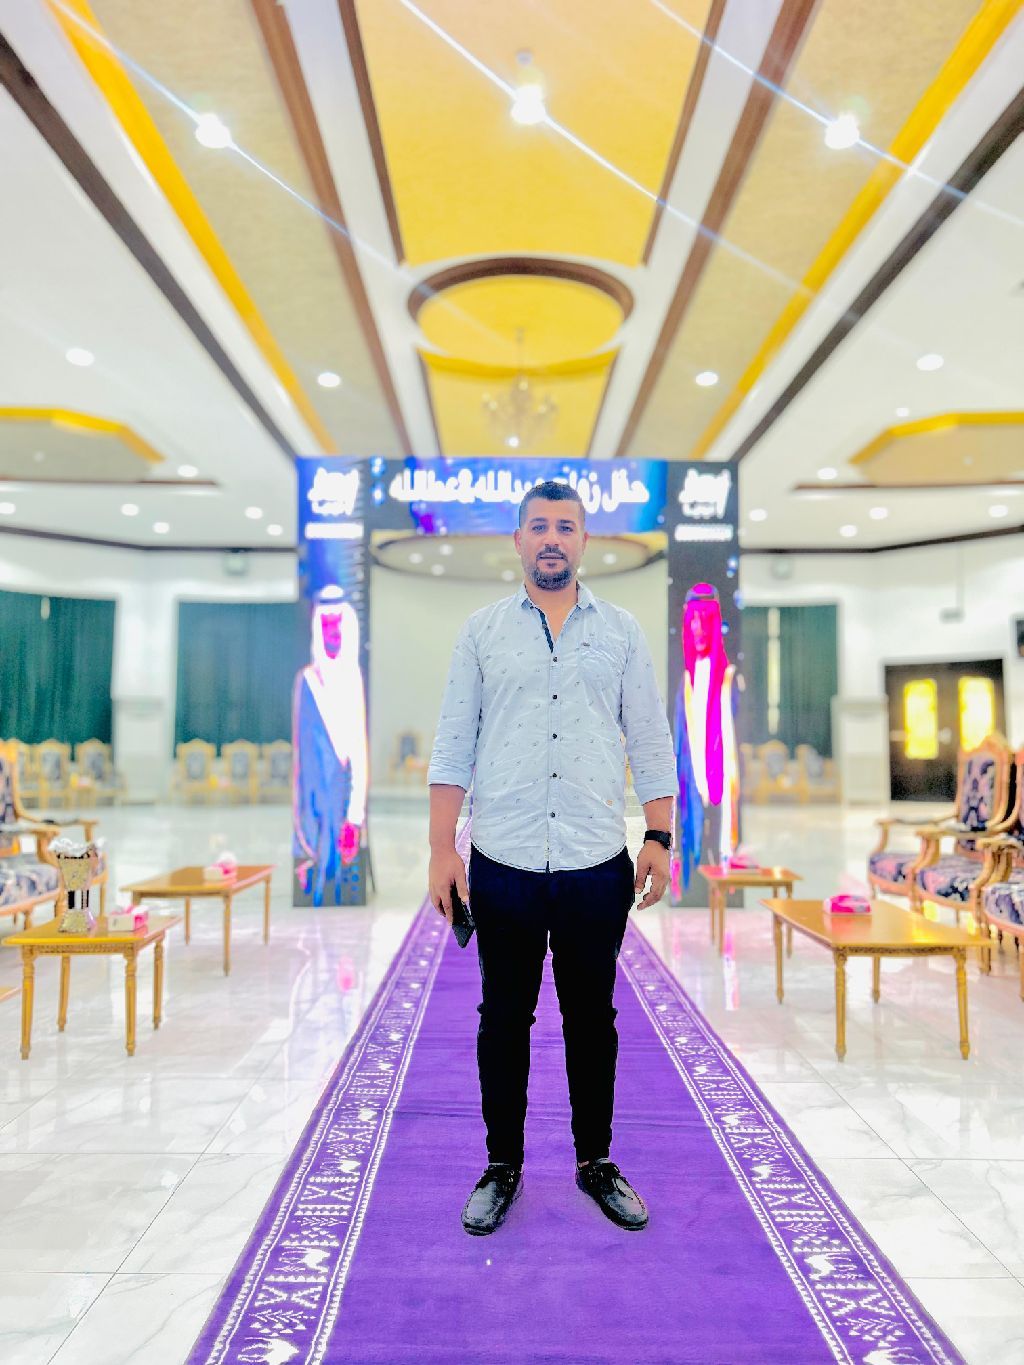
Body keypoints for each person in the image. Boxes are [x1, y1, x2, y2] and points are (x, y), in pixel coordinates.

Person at [428, 479, 676, 1237]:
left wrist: (659, 836)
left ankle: (595, 1161)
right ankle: (501, 1165)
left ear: (583, 541)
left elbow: (650, 736)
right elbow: (454, 742)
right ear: (519, 541)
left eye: (565, 527)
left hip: (594, 859)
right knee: (503, 1018)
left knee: (591, 1019)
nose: (552, 539)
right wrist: (441, 848)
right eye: (539, 526)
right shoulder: (481, 632)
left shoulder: (622, 632)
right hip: (501, 857)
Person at [293, 584, 367, 907]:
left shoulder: (353, 678)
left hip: (342, 794)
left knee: (338, 871)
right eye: (326, 626)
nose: (332, 634)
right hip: (312, 798)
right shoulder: (307, 680)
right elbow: (301, 754)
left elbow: (359, 751)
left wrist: (355, 815)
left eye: (337, 626)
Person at [674, 583, 739, 891]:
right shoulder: (685, 681)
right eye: (693, 620)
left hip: (722, 778)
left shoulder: (729, 678)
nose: (698, 628)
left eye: (705, 619)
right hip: (691, 780)